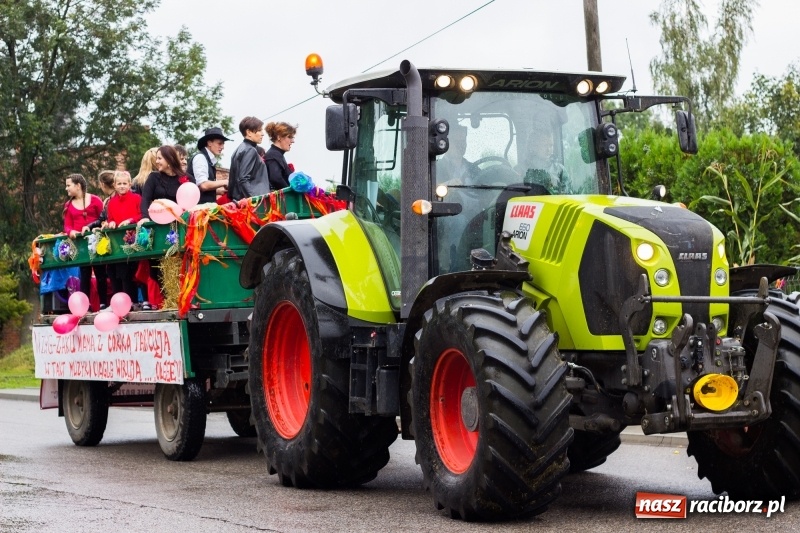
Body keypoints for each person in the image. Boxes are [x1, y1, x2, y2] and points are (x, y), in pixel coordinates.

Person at [63, 173, 109, 310]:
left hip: (97, 241)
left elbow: (103, 217)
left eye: (68, 185)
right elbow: (67, 225)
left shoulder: (95, 200)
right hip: (81, 245)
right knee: (84, 274)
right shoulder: (68, 205)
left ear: (78, 186)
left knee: (101, 272)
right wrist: (71, 232)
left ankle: (103, 303)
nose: (66, 189)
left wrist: (98, 228)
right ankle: (85, 305)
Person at [105, 171, 141, 304]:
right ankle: (120, 303)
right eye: (119, 183)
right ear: (114, 185)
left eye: (124, 183)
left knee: (131, 273)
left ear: (130, 184)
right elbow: (111, 218)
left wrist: (130, 220)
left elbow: (140, 215)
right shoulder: (112, 202)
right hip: (118, 243)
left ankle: (134, 301)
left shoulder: (137, 198)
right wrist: (111, 222)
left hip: (134, 240)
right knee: (117, 273)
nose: (122, 186)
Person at [517, 122, 571, 194]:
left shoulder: (559, 170)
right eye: (544, 145)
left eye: (551, 145)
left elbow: (568, 194)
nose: (548, 150)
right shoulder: (522, 169)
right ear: (534, 146)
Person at [228, 116, 270, 201]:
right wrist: (255, 200)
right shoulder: (250, 150)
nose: (262, 133)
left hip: (241, 200)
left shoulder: (239, 149)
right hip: (254, 202)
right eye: (259, 130)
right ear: (249, 132)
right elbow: (243, 178)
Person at [188, 127, 231, 204]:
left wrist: (217, 191)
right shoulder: (200, 158)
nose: (222, 147)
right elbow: (203, 185)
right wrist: (225, 182)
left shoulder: (207, 159)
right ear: (209, 143)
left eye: (223, 144)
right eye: (219, 143)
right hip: (198, 209)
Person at [264, 121, 297, 190]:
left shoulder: (277, 154)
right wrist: (292, 193)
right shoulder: (273, 154)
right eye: (290, 137)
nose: (292, 141)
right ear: (279, 137)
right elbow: (275, 178)